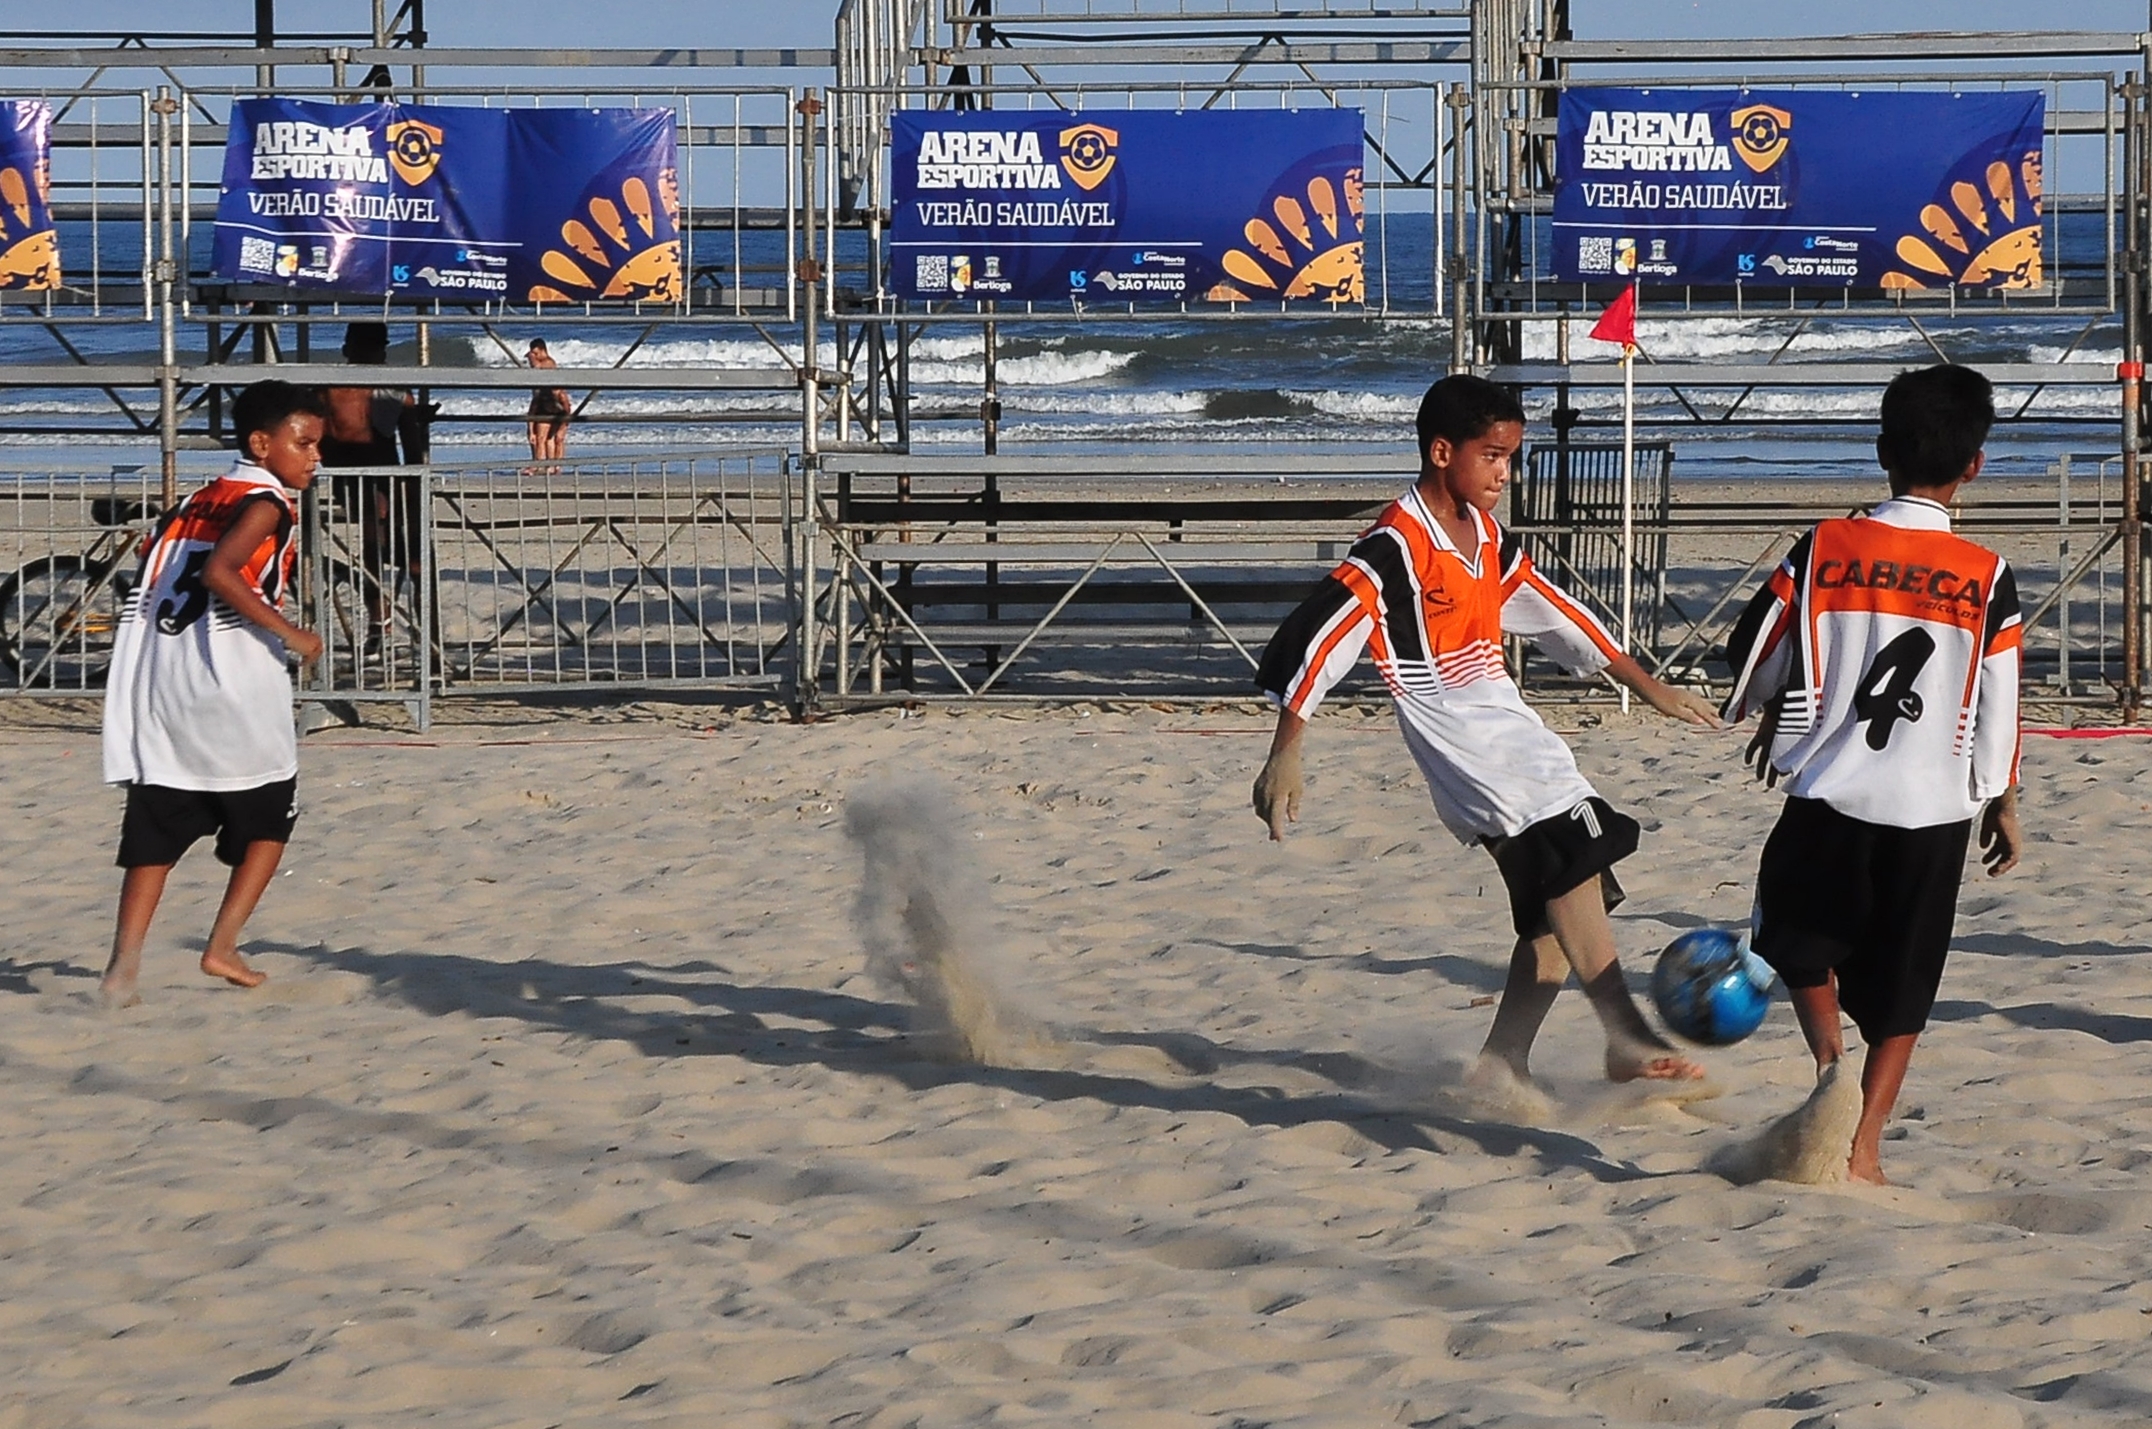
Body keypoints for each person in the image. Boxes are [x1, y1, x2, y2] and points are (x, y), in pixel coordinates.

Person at [1251, 373, 1722, 1098]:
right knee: (1565, 856)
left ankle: (1501, 1061)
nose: (1505, 472)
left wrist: (1647, 683)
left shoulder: (1487, 535)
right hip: (1455, 731)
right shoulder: (1395, 545)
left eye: (1511, 457)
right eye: (1493, 455)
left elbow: (1555, 609)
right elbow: (1322, 631)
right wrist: (1288, 747)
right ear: (1444, 452)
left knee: (1562, 905)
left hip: (1507, 718)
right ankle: (1625, 1034)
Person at [1721, 362, 2022, 1185]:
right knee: (1906, 984)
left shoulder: (1826, 545)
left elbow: (1750, 652)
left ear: (1881, 450)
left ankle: (1829, 1067)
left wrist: (1762, 707)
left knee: (1791, 930)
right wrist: (1999, 797)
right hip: (1933, 808)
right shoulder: (1987, 574)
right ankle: (1865, 1148)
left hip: (1832, 790)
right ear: (1975, 463)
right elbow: (2001, 703)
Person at [99, 380, 327, 1006]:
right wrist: (294, 635)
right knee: (271, 819)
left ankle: (122, 967)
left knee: (155, 828)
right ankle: (222, 945)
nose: (314, 458)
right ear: (262, 443)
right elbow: (220, 573)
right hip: (231, 683)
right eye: (303, 444)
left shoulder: (199, 498)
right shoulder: (267, 504)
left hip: (165, 681)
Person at [321, 321, 428, 654]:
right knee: (400, 553)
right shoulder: (391, 389)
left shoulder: (326, 389)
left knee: (378, 552)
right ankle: (404, 627)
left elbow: (319, 437)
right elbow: (412, 446)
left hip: (355, 475)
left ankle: (381, 623)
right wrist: (414, 488)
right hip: (381, 476)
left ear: (347, 349)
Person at [525, 338, 570, 462]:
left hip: (550, 401)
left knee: (547, 437)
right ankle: (541, 462)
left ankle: (546, 464)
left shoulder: (548, 363)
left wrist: (532, 358)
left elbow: (539, 367)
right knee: (539, 436)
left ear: (542, 350)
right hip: (541, 400)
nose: (534, 356)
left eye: (536, 353)